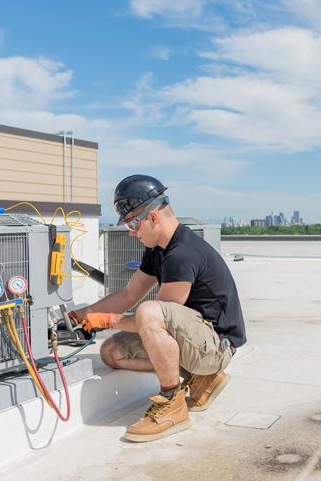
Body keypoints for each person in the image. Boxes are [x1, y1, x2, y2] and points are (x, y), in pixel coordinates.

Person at [71, 174, 246, 442]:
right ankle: (201, 379)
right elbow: (129, 294)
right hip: (194, 341)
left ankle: (171, 402)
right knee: (112, 352)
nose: (131, 231)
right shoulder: (157, 250)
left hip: (214, 348)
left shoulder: (182, 253)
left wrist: (106, 320)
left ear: (152, 217)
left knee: (150, 311)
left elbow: (153, 318)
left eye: (132, 223)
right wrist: (83, 315)